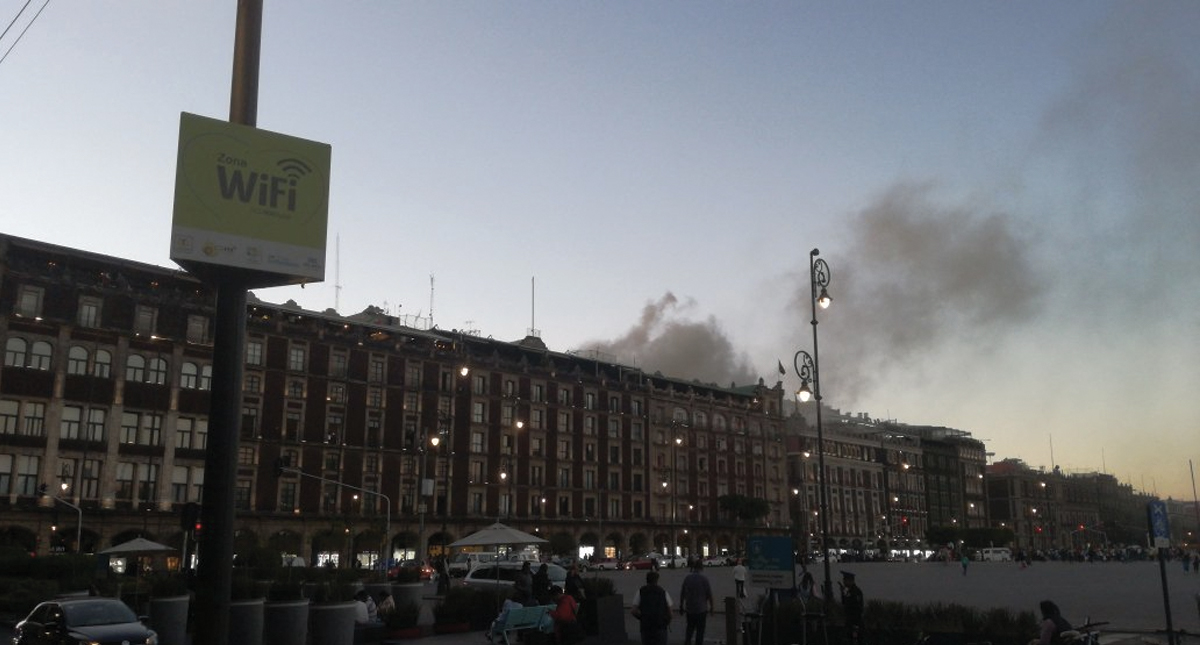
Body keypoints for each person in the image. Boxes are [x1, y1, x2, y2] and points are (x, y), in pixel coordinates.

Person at [631, 570, 673, 645]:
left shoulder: (641, 591)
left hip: (646, 627)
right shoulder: (663, 592)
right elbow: (670, 613)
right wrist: (667, 621)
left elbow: (633, 611)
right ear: (657, 580)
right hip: (660, 626)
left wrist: (642, 617)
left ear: (647, 580)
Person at [678, 559, 714, 645]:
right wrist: (712, 607)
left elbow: (682, 593)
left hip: (690, 608)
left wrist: (681, 605)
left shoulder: (687, 578)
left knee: (689, 629)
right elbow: (709, 594)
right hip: (701, 609)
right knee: (700, 631)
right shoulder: (704, 579)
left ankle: (687, 642)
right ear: (701, 567)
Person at [838, 571, 863, 645]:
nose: (844, 582)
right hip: (849, 621)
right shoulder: (849, 591)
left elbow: (856, 607)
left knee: (854, 640)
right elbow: (844, 602)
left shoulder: (855, 591)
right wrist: (843, 593)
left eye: (845, 580)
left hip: (855, 621)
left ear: (850, 581)